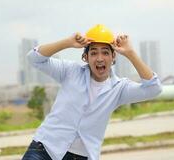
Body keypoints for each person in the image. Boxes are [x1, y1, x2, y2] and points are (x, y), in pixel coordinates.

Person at [22, 24, 162, 160]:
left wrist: (130, 53)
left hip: (80, 156)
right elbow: (33, 58)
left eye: (105, 53)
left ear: (113, 57)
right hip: (44, 149)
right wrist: (68, 42)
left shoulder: (119, 88)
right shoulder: (70, 71)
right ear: (86, 57)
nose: (100, 58)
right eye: (94, 53)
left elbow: (154, 88)